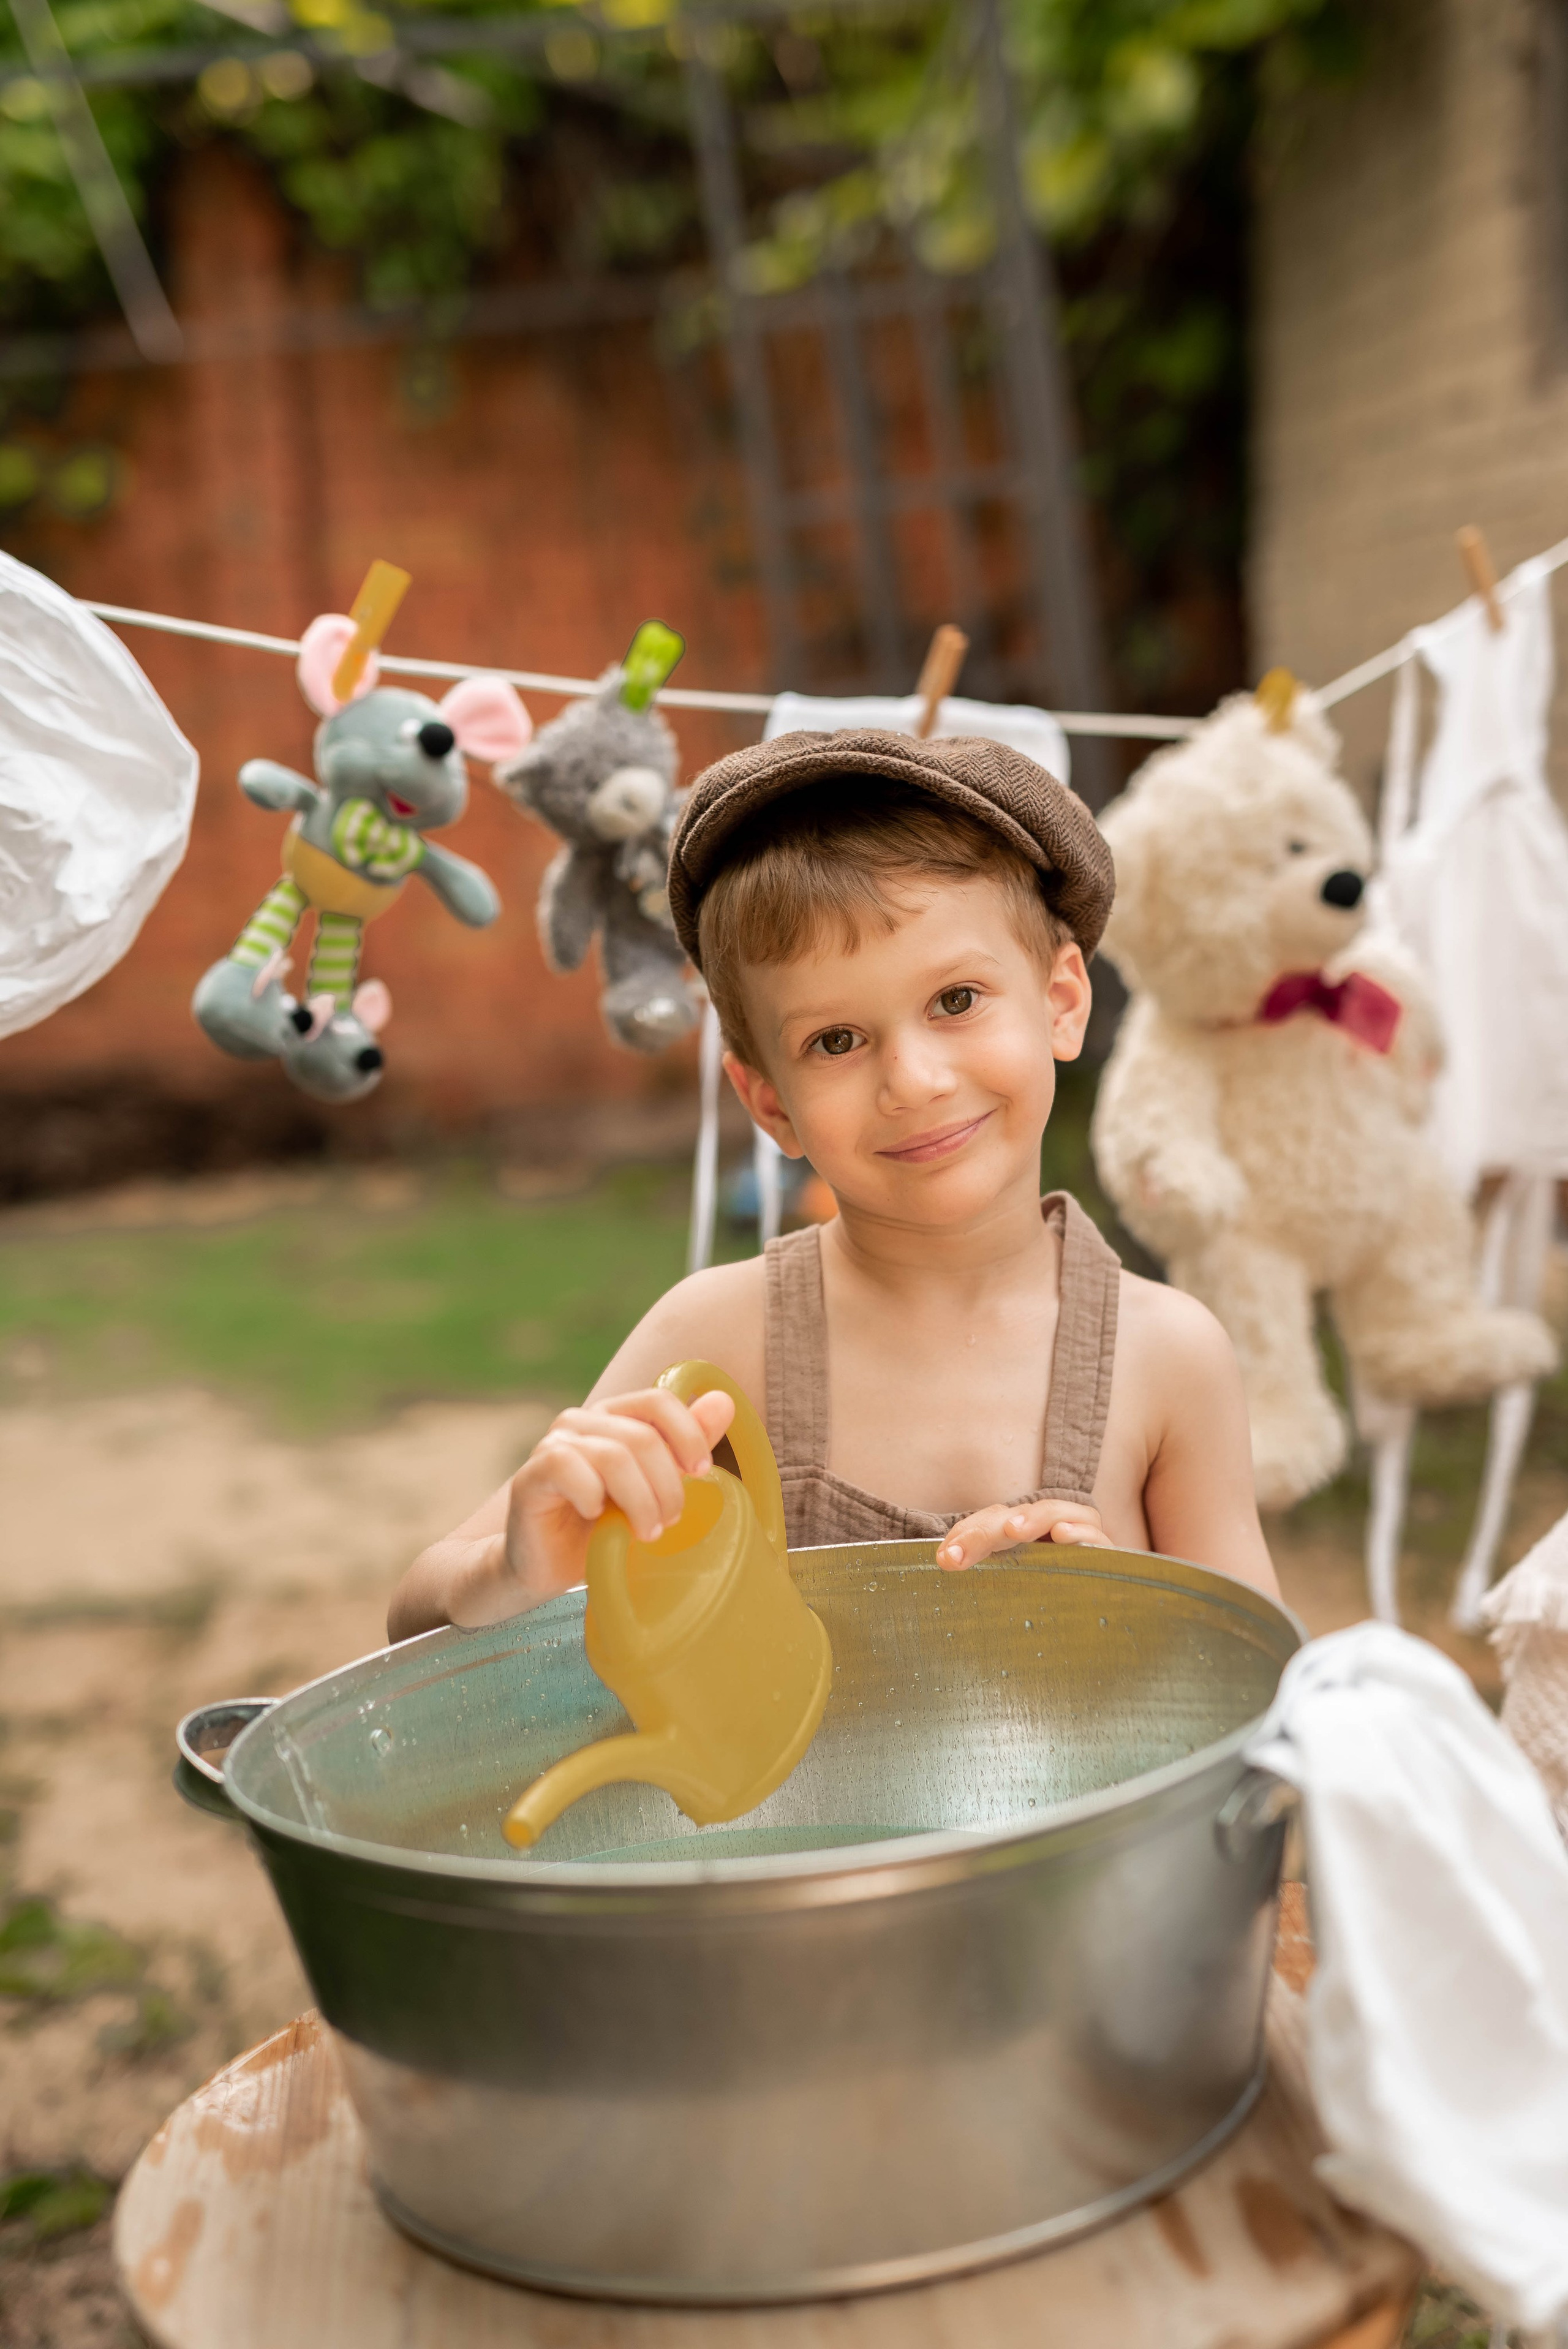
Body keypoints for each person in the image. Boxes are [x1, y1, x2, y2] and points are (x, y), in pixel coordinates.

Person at [388, 729, 1278, 1643]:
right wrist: (512, 1571)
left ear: (1061, 1002)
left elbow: (1277, 1698)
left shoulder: (1167, 1358)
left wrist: (1136, 1623)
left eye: (957, 1000)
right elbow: (415, 1612)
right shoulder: (723, 1339)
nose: (915, 1080)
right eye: (837, 1042)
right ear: (770, 1102)